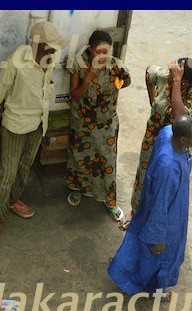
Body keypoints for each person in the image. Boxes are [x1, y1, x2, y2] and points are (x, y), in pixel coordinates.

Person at [0, 22, 69, 247]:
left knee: (25, 167)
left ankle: (12, 200)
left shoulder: (49, 60)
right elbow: (1, 88)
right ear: (37, 43)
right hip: (15, 123)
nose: (53, 51)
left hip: (38, 123)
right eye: (49, 46)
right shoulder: (17, 60)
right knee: (7, 173)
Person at [107, 115, 192, 297]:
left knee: (137, 244)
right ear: (183, 140)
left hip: (150, 204)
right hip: (167, 216)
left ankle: (123, 272)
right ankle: (155, 290)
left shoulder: (167, 133)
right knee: (160, 257)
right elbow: (161, 205)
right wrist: (159, 237)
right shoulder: (169, 168)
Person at [125, 58, 192, 228]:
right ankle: (136, 212)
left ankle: (157, 222)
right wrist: (152, 99)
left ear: (185, 82)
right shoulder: (163, 77)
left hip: (175, 147)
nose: (170, 75)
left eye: (175, 75)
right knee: (144, 175)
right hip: (152, 139)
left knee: (165, 185)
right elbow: (149, 71)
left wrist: (176, 84)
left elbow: (180, 116)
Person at [65, 30, 131, 228]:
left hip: (106, 124)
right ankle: (79, 190)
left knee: (107, 162)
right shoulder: (79, 64)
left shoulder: (114, 65)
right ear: (90, 49)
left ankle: (110, 202)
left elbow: (127, 81)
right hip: (82, 124)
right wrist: (89, 77)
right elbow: (75, 95)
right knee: (80, 158)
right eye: (98, 52)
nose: (102, 56)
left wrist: (120, 81)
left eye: (106, 52)